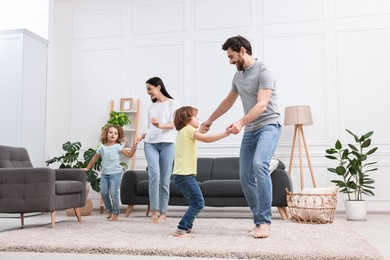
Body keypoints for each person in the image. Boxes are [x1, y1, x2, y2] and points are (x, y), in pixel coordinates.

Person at [201, 36, 281, 239]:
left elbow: (262, 104)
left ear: (243, 51)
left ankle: (265, 222)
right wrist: (210, 120)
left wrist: (239, 123)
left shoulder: (264, 71)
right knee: (245, 175)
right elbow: (228, 101)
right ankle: (258, 220)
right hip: (251, 130)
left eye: (232, 57)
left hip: (269, 126)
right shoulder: (238, 77)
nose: (230, 61)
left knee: (259, 165)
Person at [172, 106, 231, 238]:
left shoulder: (184, 131)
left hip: (181, 176)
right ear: (187, 119)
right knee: (199, 203)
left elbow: (198, 135)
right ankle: (180, 229)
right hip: (185, 175)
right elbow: (207, 139)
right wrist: (226, 133)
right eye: (195, 116)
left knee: (195, 202)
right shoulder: (188, 130)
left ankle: (187, 227)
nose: (198, 118)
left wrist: (200, 130)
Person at [137, 77, 180, 224]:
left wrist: (160, 125)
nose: (148, 92)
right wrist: (142, 136)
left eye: (150, 88)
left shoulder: (174, 103)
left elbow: (175, 124)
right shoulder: (152, 107)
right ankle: (154, 211)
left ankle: (163, 212)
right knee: (154, 175)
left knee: (165, 179)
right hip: (150, 143)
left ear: (158, 87)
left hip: (168, 143)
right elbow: (151, 129)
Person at [84, 124, 137, 221]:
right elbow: (95, 158)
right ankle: (109, 210)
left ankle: (116, 213)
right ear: (106, 135)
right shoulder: (101, 147)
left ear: (118, 136)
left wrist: (134, 147)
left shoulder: (118, 147)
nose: (113, 135)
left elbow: (129, 155)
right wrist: (87, 168)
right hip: (105, 174)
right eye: (111, 132)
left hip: (115, 173)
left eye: (115, 133)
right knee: (103, 192)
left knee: (114, 193)